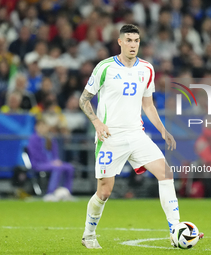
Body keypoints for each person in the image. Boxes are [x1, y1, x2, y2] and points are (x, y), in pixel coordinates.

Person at [79, 24, 202, 249]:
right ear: (119, 42)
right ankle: (88, 234)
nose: (133, 44)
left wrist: (163, 130)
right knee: (104, 192)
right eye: (128, 40)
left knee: (166, 173)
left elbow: (148, 104)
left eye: (136, 40)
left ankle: (175, 229)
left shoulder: (147, 69)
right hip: (110, 137)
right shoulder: (104, 67)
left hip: (136, 134)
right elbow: (83, 99)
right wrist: (96, 122)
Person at [27, 119, 74, 196]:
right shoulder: (33, 139)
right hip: (38, 164)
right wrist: (51, 162)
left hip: (51, 163)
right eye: (41, 126)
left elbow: (55, 153)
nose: (43, 128)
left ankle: (67, 192)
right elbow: (35, 155)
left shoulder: (51, 138)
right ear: (36, 127)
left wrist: (56, 160)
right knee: (57, 168)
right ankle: (50, 193)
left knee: (69, 167)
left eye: (44, 126)